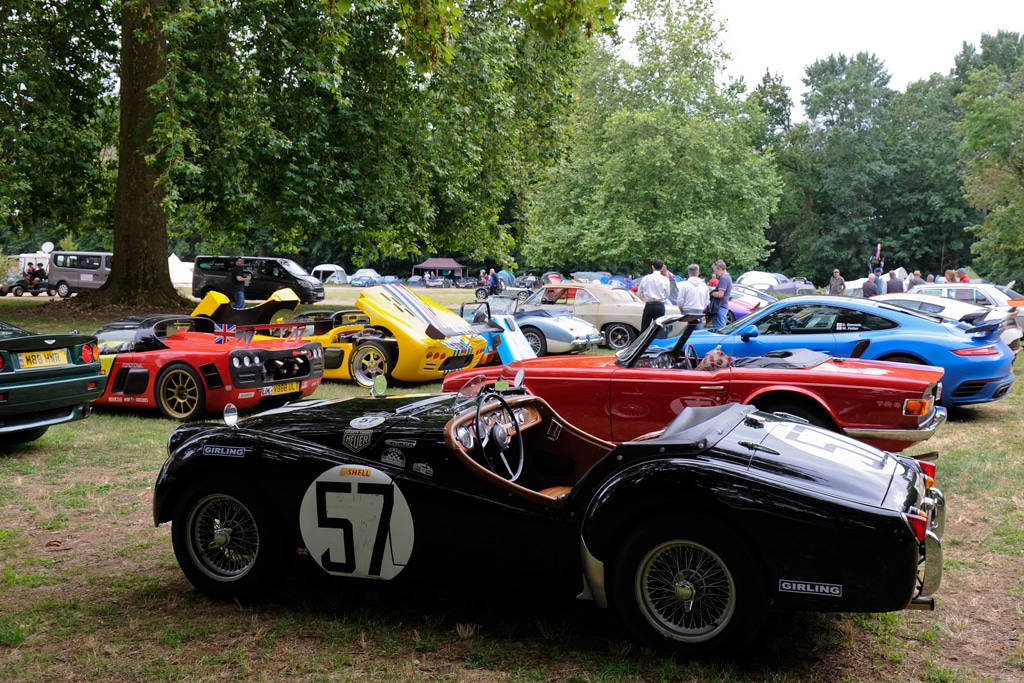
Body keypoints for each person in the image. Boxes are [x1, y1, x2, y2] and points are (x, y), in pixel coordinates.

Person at [637, 259, 669, 332]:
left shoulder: (646, 278)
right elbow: (667, 295)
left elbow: (639, 293)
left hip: (649, 305)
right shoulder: (665, 280)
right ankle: (658, 342)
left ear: (652, 267)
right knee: (659, 329)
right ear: (661, 268)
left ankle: (644, 342)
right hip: (660, 305)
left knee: (644, 328)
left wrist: (647, 296)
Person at [707, 260, 732, 331]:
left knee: (719, 330)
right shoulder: (728, 277)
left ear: (720, 269)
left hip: (720, 307)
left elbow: (720, 294)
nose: (715, 273)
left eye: (715, 271)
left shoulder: (724, 278)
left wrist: (710, 293)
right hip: (723, 306)